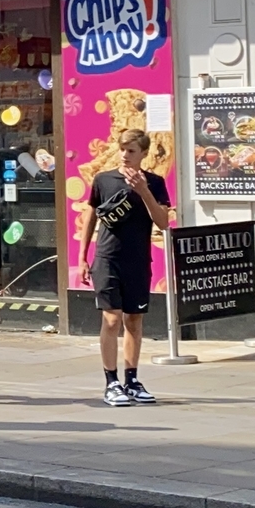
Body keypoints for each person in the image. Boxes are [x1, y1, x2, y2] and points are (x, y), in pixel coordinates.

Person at [86, 128, 171, 406]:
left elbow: (162, 222)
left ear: (143, 154)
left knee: (134, 319)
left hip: (137, 259)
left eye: (131, 150)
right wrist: (81, 257)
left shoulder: (155, 182)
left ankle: (131, 379)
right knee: (111, 318)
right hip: (107, 257)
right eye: (122, 149)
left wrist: (143, 189)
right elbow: (91, 216)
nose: (125, 155)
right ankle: (111, 381)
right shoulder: (103, 179)